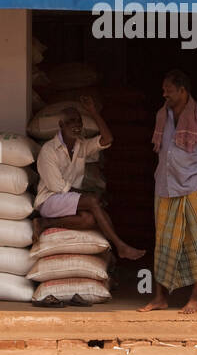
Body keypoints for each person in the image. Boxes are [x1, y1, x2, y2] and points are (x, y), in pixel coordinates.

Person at [140, 70, 197, 314]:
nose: (164, 93)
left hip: (191, 187)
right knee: (163, 242)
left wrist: (196, 173)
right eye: (164, 89)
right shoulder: (161, 116)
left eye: (169, 89)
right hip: (164, 187)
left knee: (194, 241)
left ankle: (195, 299)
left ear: (183, 90)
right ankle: (160, 297)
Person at [34, 95, 145, 262]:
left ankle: (45, 224)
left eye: (79, 121)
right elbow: (58, 188)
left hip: (68, 199)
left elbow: (107, 139)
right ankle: (120, 247)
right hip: (49, 200)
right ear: (61, 125)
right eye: (71, 121)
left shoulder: (81, 145)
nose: (77, 125)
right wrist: (89, 197)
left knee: (89, 219)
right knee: (93, 202)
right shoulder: (48, 150)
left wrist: (93, 111)